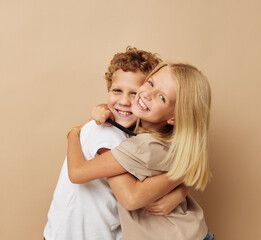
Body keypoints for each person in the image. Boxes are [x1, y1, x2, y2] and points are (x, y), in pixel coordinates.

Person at [44, 47, 187, 240]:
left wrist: (180, 190)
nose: (124, 101)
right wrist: (74, 131)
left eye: (134, 93)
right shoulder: (107, 133)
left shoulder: (135, 137)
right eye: (117, 91)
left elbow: (158, 175)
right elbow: (132, 197)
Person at [67, 62, 215, 239]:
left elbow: (77, 173)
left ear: (174, 117)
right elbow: (186, 166)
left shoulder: (143, 147)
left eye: (162, 98)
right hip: (193, 232)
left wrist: (74, 132)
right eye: (151, 83)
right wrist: (106, 109)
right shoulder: (172, 139)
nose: (146, 94)